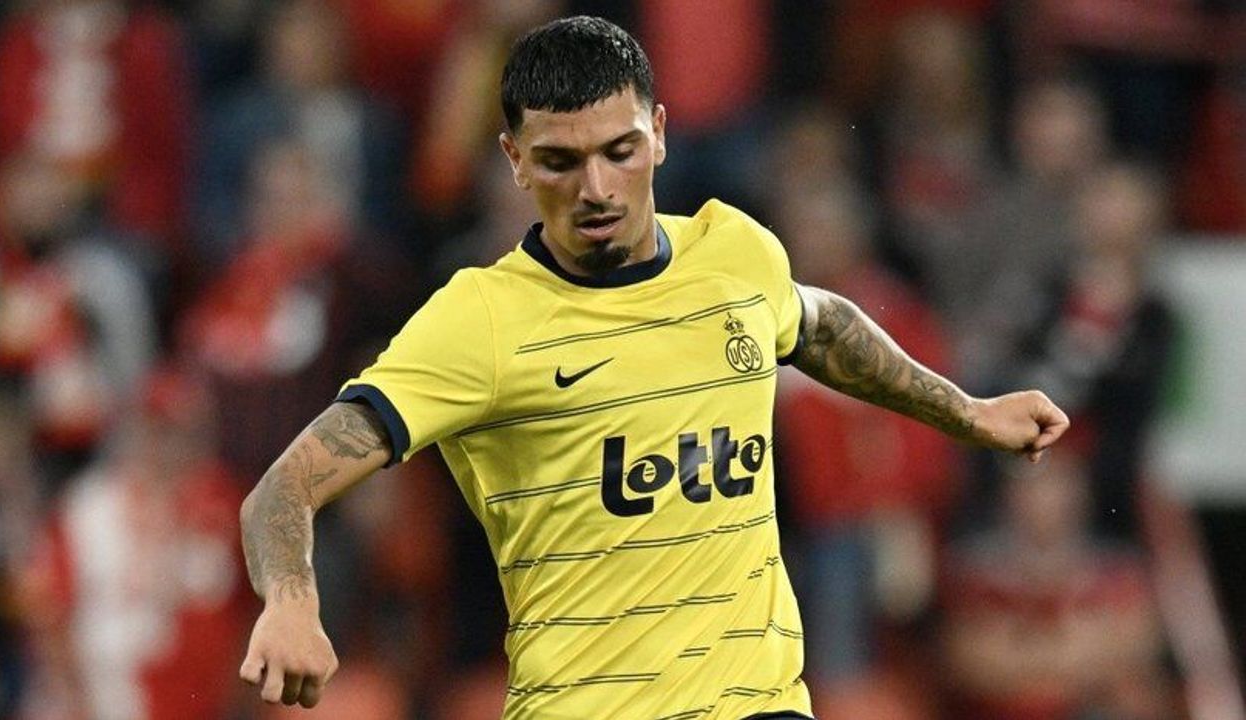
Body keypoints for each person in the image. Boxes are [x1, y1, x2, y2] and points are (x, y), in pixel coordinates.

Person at [238, 16, 1069, 719]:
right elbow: (283, 488)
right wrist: (291, 603)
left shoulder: (734, 251)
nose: (597, 188)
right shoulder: (479, 321)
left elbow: (816, 323)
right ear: (515, 159)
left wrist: (965, 411)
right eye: (560, 161)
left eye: (621, 150)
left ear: (660, 132)